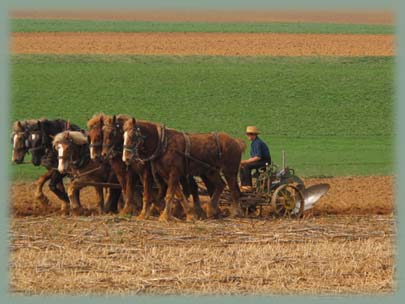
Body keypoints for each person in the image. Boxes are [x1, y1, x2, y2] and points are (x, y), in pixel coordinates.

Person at [239, 126, 271, 191]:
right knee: (241, 166)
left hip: (264, 161)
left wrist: (246, 161)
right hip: (259, 161)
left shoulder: (258, 143)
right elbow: (253, 157)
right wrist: (244, 162)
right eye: (247, 134)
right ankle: (243, 185)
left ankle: (249, 185)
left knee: (246, 166)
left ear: (254, 135)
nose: (248, 136)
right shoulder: (253, 143)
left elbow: (258, 157)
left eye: (250, 134)